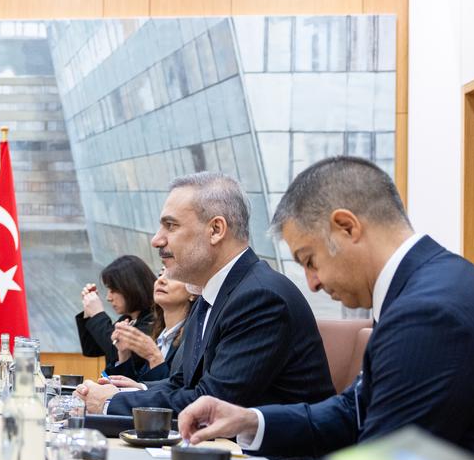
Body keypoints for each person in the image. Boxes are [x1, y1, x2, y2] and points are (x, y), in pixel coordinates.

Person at [177, 157, 474, 460]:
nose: (313, 282)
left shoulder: (427, 312)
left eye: (309, 260)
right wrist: (251, 420)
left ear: (347, 226)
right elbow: (355, 409)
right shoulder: (430, 285)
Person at [76, 172, 333, 415]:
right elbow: (183, 382)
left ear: (216, 230)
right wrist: (130, 391)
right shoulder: (213, 294)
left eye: (170, 226)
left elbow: (212, 402)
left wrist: (111, 403)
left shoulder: (260, 298)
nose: (157, 240)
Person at [104, 267, 196, 385]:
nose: (161, 280)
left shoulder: (193, 338)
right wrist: (124, 355)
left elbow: (178, 391)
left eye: (173, 276)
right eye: (160, 274)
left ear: (193, 292)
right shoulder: (158, 336)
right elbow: (135, 388)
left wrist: (154, 357)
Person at [75, 254, 156, 372]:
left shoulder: (152, 320)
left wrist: (97, 314)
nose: (108, 297)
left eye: (113, 290)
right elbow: (92, 349)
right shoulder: (127, 318)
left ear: (131, 287)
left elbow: (116, 352)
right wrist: (89, 313)